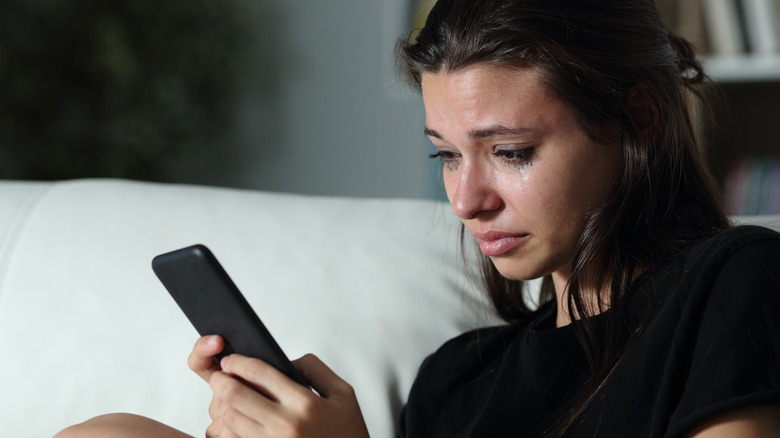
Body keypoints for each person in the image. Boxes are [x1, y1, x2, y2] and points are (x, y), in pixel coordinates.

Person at [55, 0, 780, 437]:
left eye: (511, 152)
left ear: (640, 120)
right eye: (447, 157)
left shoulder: (732, 285)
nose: (467, 201)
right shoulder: (456, 382)